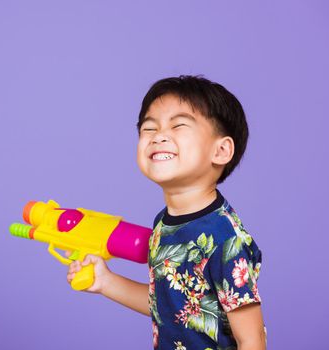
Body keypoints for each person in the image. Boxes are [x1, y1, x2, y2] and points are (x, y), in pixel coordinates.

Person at [66, 76, 266, 349]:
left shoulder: (226, 240)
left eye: (178, 125)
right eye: (149, 128)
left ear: (220, 150)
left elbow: (252, 339)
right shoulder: (163, 224)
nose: (158, 135)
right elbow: (170, 308)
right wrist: (105, 281)